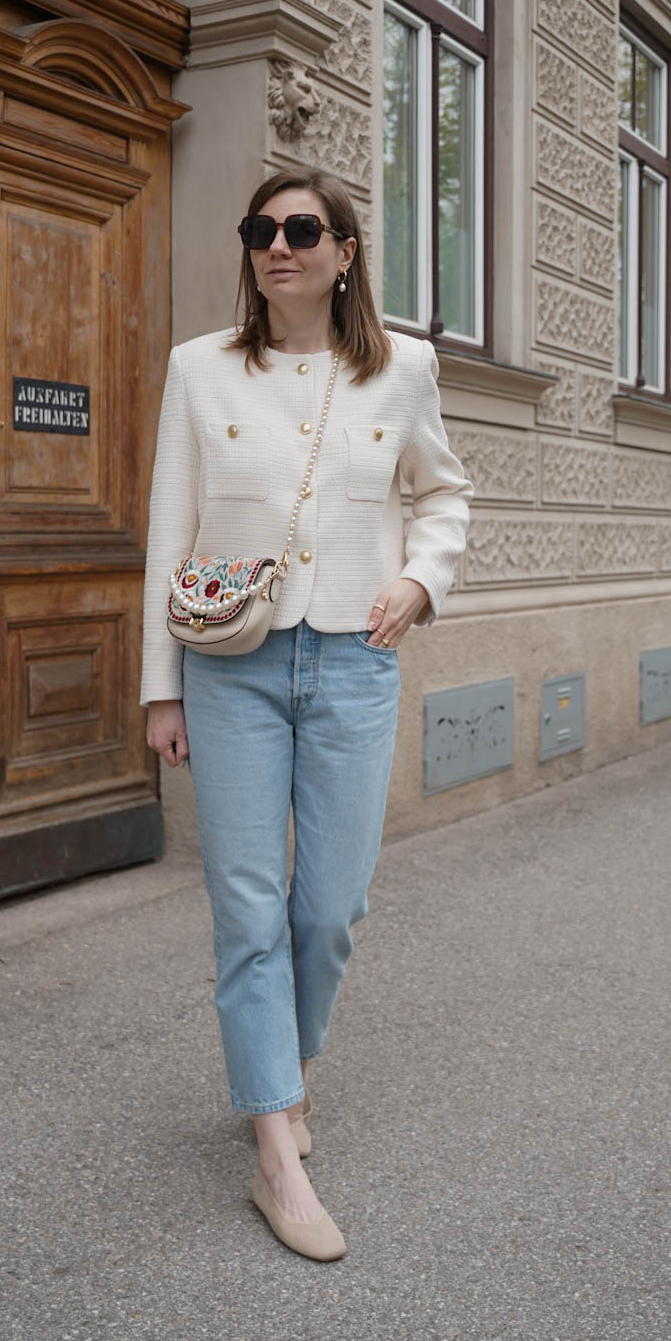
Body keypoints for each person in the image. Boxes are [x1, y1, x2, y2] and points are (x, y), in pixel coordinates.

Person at [141, 165, 473, 1261]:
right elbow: (168, 531)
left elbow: (443, 492)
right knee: (246, 909)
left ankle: (286, 1068)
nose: (277, 244)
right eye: (261, 228)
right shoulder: (199, 369)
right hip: (228, 665)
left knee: (328, 906)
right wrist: (158, 687)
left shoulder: (401, 369)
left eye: (301, 229)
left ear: (342, 252)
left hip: (353, 656)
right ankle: (274, 1150)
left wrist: (421, 582)